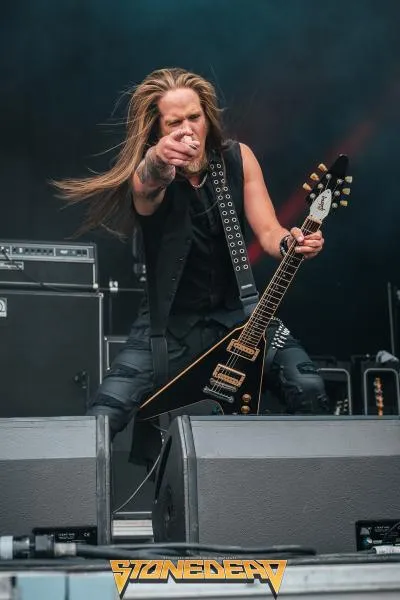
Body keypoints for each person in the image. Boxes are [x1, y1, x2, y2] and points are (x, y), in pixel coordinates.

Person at [55, 67, 328, 462]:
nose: (187, 130)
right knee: (102, 416)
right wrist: (157, 158)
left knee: (309, 387)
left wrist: (292, 242)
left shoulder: (237, 158)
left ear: (207, 116)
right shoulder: (151, 172)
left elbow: (269, 231)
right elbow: (147, 182)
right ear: (157, 131)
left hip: (240, 317)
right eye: (174, 123)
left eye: (194, 117)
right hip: (168, 328)